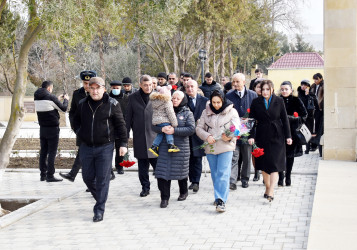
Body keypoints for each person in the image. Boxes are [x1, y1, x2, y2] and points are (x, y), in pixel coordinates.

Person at [73, 77, 127, 222]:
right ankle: (101, 197)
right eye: (92, 88)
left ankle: (99, 209)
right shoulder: (83, 104)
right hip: (86, 146)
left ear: (104, 89)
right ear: (88, 89)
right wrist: (79, 131)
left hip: (105, 146)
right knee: (87, 177)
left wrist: (123, 144)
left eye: (98, 88)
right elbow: (75, 119)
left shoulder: (112, 104)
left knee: (103, 179)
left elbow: (121, 125)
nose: (95, 91)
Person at [248, 80, 292, 202]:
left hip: (277, 135)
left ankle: (271, 190)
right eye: (263, 89)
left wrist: (288, 136)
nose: (265, 92)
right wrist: (251, 136)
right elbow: (251, 120)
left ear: (272, 90)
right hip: (262, 135)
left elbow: (285, 119)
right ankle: (267, 187)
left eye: (268, 89)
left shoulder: (279, 101)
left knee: (275, 164)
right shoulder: (256, 102)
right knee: (264, 164)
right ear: (260, 91)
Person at [196, 90, 239, 212]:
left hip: (226, 146)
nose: (216, 105)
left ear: (223, 101)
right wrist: (207, 136)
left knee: (223, 173)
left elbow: (237, 128)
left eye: (218, 102)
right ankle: (218, 195)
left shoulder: (232, 111)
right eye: (213, 102)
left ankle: (221, 200)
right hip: (211, 147)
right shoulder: (206, 112)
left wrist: (230, 136)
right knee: (215, 174)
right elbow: (199, 128)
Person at [60, 70, 106, 182]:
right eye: (84, 83)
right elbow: (73, 113)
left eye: (88, 83)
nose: (86, 85)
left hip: (97, 130)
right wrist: (75, 127)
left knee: (91, 153)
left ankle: (78, 176)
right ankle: (76, 175)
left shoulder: (100, 93)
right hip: (82, 130)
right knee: (84, 152)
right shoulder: (77, 94)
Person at [152, 91, 195, 208]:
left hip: (181, 148)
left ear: (183, 100)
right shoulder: (162, 109)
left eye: (178, 98)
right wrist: (161, 130)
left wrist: (174, 131)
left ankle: (183, 191)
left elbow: (191, 129)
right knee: (162, 173)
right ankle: (164, 198)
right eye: (173, 98)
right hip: (165, 147)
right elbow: (153, 126)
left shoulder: (187, 113)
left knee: (180, 172)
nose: (174, 100)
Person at [126, 75, 157, 197]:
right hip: (140, 136)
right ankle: (145, 187)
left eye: (150, 85)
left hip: (155, 136)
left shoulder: (157, 96)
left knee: (158, 164)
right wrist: (126, 135)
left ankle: (163, 186)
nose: (148, 87)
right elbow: (128, 118)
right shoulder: (132, 98)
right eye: (145, 85)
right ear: (140, 85)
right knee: (142, 165)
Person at [226, 73, 257, 189]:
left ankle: (245, 179)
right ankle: (232, 180)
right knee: (234, 156)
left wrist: (252, 135)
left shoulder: (253, 95)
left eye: (237, 82)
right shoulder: (229, 95)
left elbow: (255, 115)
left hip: (248, 131)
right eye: (233, 81)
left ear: (244, 82)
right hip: (234, 131)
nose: (234, 84)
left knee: (246, 157)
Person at [34, 81, 69, 182]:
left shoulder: (36, 96)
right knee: (52, 152)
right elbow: (63, 108)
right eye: (52, 88)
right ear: (49, 88)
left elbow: (47, 105)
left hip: (42, 128)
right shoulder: (51, 97)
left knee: (43, 152)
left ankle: (43, 175)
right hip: (53, 129)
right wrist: (66, 100)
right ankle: (50, 175)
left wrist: (57, 99)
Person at [278, 81, 307, 186]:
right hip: (279, 132)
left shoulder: (296, 100)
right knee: (280, 155)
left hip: (292, 133)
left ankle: (288, 176)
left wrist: (294, 119)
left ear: (291, 90)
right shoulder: (277, 100)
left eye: (286, 89)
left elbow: (304, 115)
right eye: (282, 89)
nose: (284, 91)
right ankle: (280, 177)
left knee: (290, 156)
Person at [185, 79, 209, 193]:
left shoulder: (204, 101)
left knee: (198, 158)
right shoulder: (183, 100)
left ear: (196, 88)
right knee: (189, 159)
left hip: (199, 134)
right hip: (187, 135)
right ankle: (192, 179)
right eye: (188, 87)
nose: (190, 89)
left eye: (192, 87)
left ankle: (196, 182)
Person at [149, 85, 180, 156]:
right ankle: (171, 144)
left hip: (156, 121)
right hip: (164, 120)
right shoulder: (167, 101)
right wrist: (174, 123)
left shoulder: (155, 101)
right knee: (168, 131)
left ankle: (154, 146)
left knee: (160, 133)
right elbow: (170, 113)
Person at [109, 80, 129, 175]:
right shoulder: (107, 98)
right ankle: (108, 167)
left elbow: (128, 112)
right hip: (109, 127)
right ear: (111, 88)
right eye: (114, 88)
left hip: (121, 126)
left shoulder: (125, 98)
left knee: (120, 148)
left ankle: (119, 166)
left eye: (117, 88)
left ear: (121, 88)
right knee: (108, 148)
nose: (115, 90)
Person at [297, 79, 318, 154]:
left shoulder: (311, 94)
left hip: (309, 116)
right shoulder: (299, 93)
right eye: (302, 85)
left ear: (308, 86)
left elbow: (315, 103)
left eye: (305, 85)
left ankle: (307, 149)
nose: (303, 86)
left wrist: (308, 95)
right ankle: (300, 148)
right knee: (300, 132)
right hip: (301, 116)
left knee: (308, 132)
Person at [310, 73, 324, 157]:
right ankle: (313, 144)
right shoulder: (313, 86)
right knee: (313, 126)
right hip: (313, 108)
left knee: (318, 126)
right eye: (314, 79)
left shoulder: (324, 85)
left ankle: (316, 144)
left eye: (317, 79)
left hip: (320, 108)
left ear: (321, 78)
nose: (315, 81)